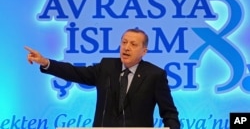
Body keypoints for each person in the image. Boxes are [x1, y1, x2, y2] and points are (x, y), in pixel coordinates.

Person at [25, 28, 180, 129]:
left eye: (133, 44)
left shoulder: (155, 75)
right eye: (124, 42)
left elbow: (170, 113)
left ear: (144, 51)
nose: (126, 48)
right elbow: (75, 72)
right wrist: (46, 62)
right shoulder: (107, 67)